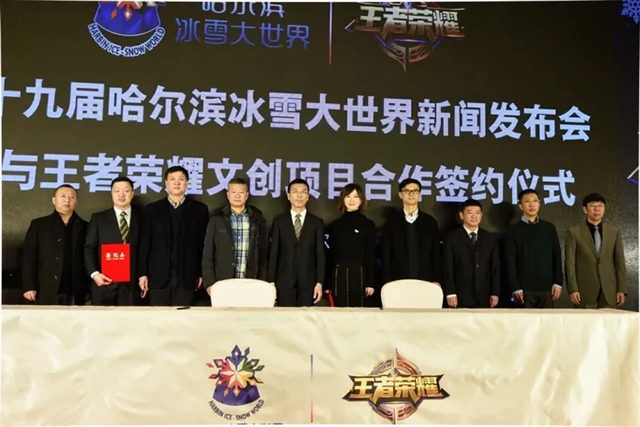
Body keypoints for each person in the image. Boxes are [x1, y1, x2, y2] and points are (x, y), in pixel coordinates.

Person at [138, 166, 209, 306]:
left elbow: (203, 244)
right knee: (158, 317)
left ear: (187, 183)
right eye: (172, 179)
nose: (177, 183)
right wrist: (142, 274)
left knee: (183, 317)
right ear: (166, 183)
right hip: (157, 276)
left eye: (181, 179)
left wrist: (201, 273)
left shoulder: (199, 209)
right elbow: (144, 244)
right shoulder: (152, 210)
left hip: (187, 276)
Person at [22, 184, 90, 305]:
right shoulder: (39, 225)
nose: (67, 200)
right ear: (54, 200)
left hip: (76, 288)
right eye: (63, 196)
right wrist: (29, 286)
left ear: (76, 201)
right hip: (45, 287)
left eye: (71, 197)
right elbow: (29, 257)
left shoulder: (86, 226)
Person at [202, 178, 269, 296]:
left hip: (251, 283)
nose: (237, 196)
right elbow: (208, 254)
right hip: (222, 283)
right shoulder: (217, 219)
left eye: (241, 192)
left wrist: (262, 281)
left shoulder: (257, 220)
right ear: (228, 195)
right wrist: (209, 283)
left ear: (247, 195)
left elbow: (263, 254)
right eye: (233, 192)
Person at [84, 176, 144, 306]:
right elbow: (89, 248)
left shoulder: (142, 218)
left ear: (132, 193)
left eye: (126, 191)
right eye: (117, 191)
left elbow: (145, 250)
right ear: (111, 193)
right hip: (104, 283)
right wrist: (95, 274)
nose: (121, 195)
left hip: (132, 286)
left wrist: (142, 275)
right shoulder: (99, 218)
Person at [268, 179, 325, 307]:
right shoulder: (279, 222)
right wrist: (271, 282)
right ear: (289, 196)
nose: (299, 196)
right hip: (284, 282)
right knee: (285, 318)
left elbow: (320, 254)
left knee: (306, 317)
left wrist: (319, 282)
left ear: (308, 196)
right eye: (295, 192)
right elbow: (273, 253)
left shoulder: (316, 222)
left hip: (308, 283)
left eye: (303, 192)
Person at [565, 193, 628, 309]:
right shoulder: (574, 233)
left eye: (600, 206)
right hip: (584, 291)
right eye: (593, 205)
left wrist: (621, 289)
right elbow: (570, 264)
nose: (597, 209)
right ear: (585, 209)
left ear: (604, 209)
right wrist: (573, 289)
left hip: (609, 290)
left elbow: (620, 263)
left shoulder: (614, 232)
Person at [504, 189, 562, 308]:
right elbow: (510, 260)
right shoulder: (513, 230)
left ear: (539, 204)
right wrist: (515, 287)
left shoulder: (549, 228)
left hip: (547, 289)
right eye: (527, 201)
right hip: (524, 291)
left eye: (535, 201)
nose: (532, 205)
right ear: (520, 205)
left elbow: (556, 256)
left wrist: (558, 282)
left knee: (547, 320)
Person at [381, 178, 442, 286]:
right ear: (400, 195)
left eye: (415, 191)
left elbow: (436, 254)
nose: (411, 194)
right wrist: (387, 280)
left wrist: (436, 279)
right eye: (407, 191)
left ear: (419, 194)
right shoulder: (392, 222)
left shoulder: (429, 222)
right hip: (398, 281)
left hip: (425, 281)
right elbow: (386, 255)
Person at [326, 183, 377, 307]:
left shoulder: (368, 224)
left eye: (355, 196)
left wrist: (370, 282)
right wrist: (327, 283)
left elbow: (370, 254)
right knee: (340, 313)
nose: (352, 200)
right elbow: (330, 255)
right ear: (343, 199)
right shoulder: (335, 225)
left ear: (361, 200)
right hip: (339, 275)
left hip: (360, 274)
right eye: (348, 196)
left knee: (359, 313)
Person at [443, 199, 500, 308]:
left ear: (481, 215)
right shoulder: (451, 238)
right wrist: (450, 292)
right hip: (460, 294)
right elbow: (447, 267)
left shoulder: (490, 238)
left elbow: (495, 268)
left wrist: (495, 293)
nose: (474, 216)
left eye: (477, 213)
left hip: (484, 295)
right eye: (470, 213)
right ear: (461, 215)